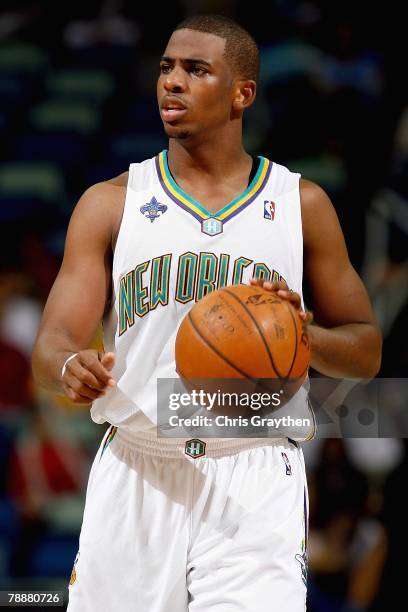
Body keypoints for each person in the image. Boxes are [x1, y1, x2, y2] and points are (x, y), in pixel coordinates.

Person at [32, 13, 382, 612]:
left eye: (196, 70)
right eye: (167, 67)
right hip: (137, 462)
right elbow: (51, 344)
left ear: (242, 93)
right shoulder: (110, 203)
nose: (173, 81)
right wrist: (71, 366)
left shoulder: (301, 205)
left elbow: (366, 348)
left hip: (254, 466)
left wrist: (305, 336)